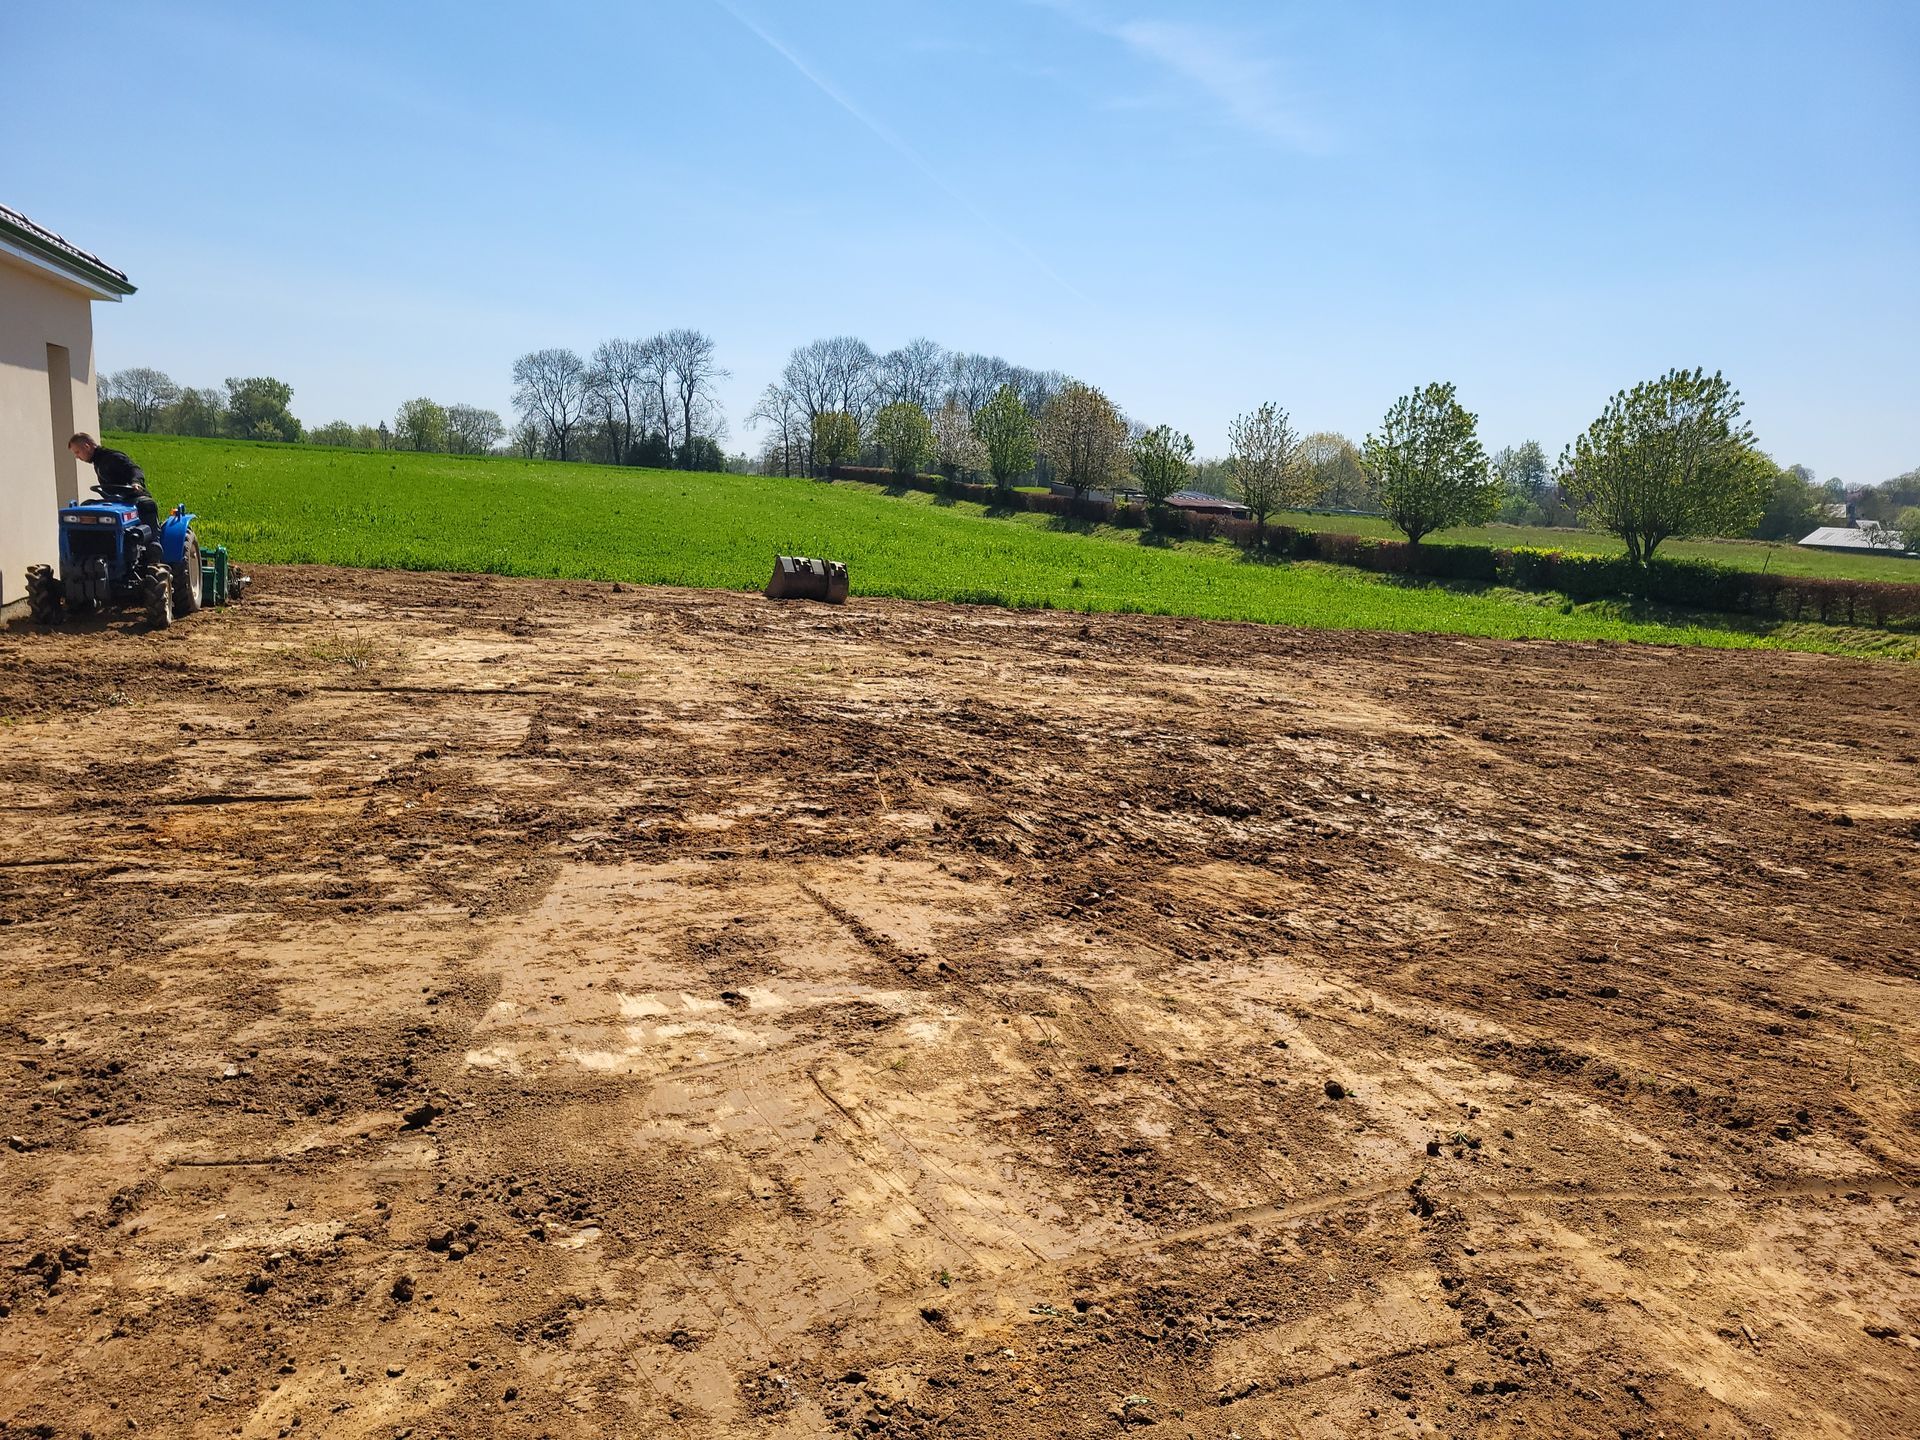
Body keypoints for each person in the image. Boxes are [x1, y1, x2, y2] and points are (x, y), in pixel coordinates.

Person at [68, 432, 159, 527]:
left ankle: (153, 539)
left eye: (77, 452)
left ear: (87, 447)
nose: (77, 457)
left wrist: (136, 482)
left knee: (146, 505)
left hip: (132, 498)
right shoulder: (98, 462)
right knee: (86, 506)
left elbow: (134, 469)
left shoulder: (112, 457)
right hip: (115, 501)